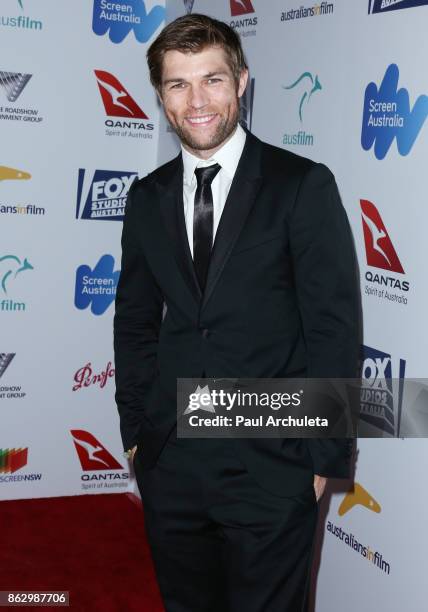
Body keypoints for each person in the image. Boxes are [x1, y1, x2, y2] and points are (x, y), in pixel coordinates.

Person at [114, 13, 359, 612]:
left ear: (242, 81)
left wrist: (322, 460)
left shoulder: (301, 185)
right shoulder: (146, 198)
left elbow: (333, 327)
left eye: (212, 79)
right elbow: (136, 321)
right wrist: (137, 437)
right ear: (161, 96)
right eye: (178, 84)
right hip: (172, 459)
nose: (196, 101)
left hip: (272, 462)